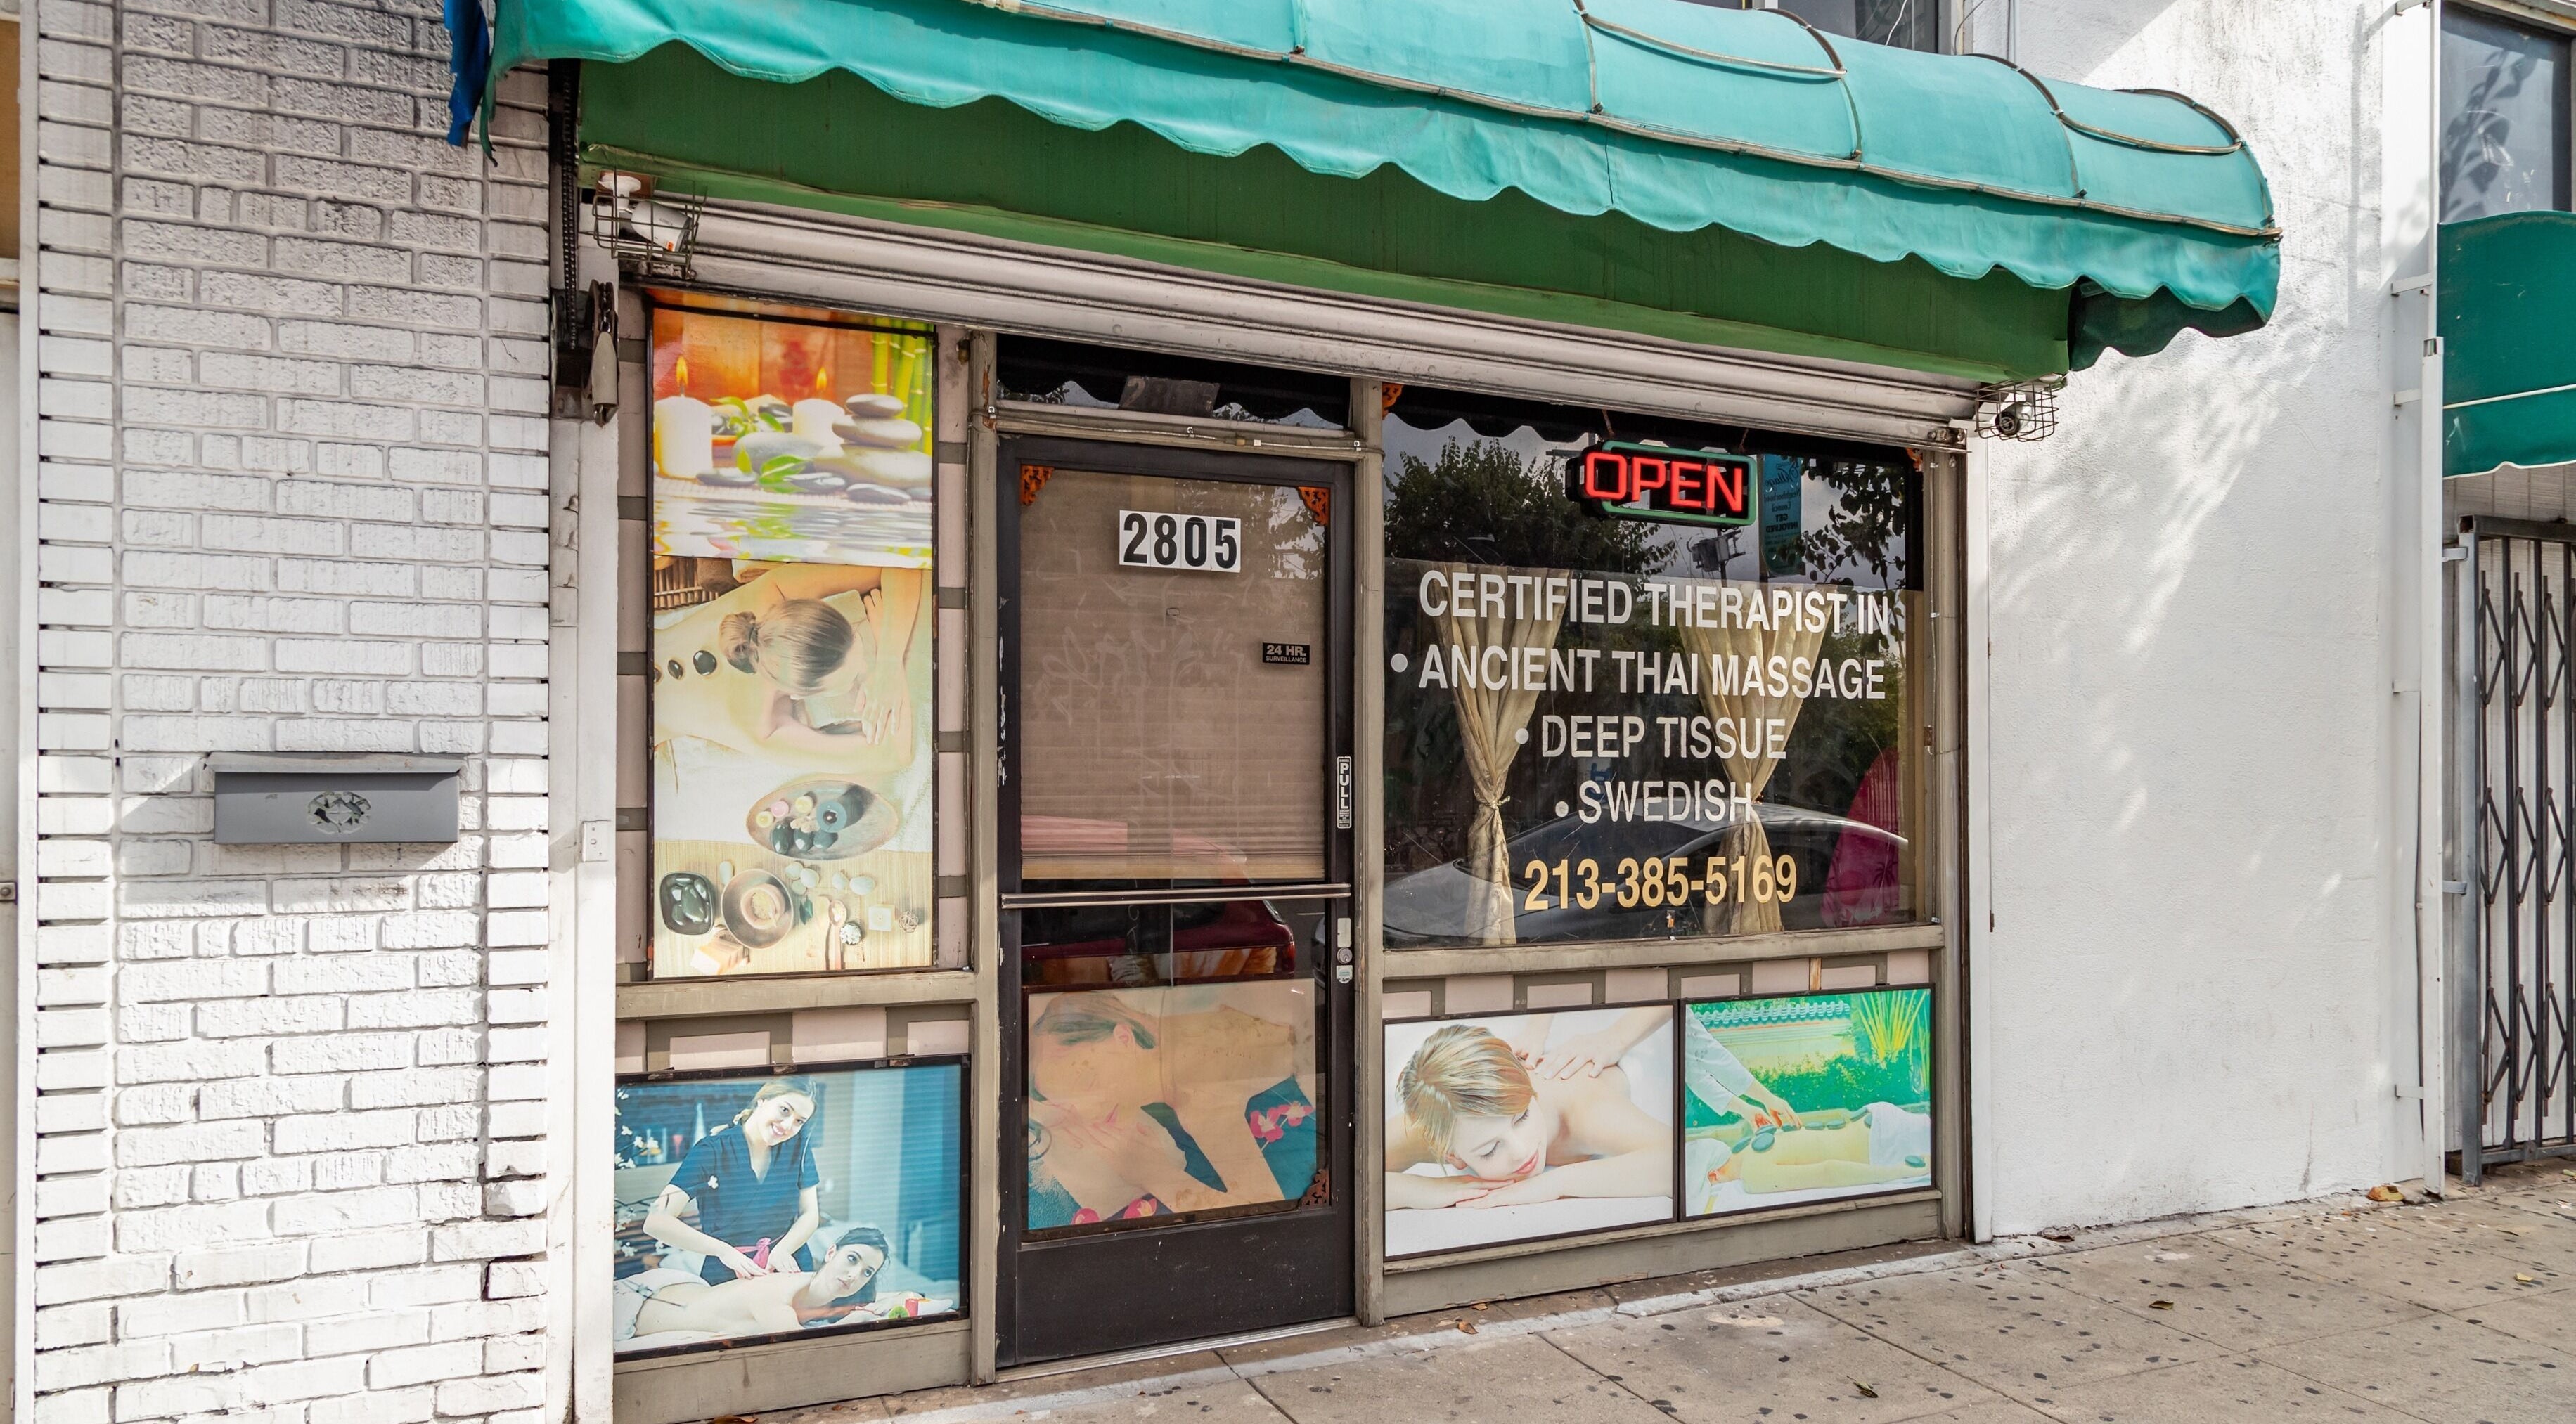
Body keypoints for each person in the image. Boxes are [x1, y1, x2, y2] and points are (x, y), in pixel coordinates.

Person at [1024, 991, 1317, 1228]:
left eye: (1087, 1082)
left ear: (1124, 1038)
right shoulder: (1168, 1045)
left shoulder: (1197, 1090)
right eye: (1068, 1104)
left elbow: (1265, 1223)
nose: (1091, 1112)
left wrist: (1153, 1172)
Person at [652, 560, 926, 772]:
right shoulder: (756, 728)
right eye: (855, 675)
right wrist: (890, 670)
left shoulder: (769, 598)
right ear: (801, 695)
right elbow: (893, 755)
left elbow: (904, 563)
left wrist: (889, 660)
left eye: (855, 635)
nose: (868, 658)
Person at [1384, 1017, 1669, 1210]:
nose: (1522, 1151)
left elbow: (1683, 1161)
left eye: (1522, 1118)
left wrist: (1556, 1184)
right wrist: (1420, 1190)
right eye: (1490, 1149)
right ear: (1453, 1156)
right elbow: (1343, 1180)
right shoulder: (1440, 1118)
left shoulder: (1583, 1109)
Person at [642, 1078, 825, 1283]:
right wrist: (723, 1251)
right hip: (730, 1273)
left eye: (799, 1121)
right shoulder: (712, 1150)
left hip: (788, 1265)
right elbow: (656, 1221)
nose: (788, 1126)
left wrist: (782, 1251)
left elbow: (810, 1214)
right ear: (762, 1101)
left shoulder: (798, 1148)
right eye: (784, 1110)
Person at [617, 1228, 941, 1344]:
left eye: (867, 1272)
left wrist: (903, 1295)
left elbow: (893, 1300)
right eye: (852, 1259)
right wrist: (854, 1322)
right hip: (638, 1306)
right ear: (831, 1252)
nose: (855, 1276)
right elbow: (802, 1350)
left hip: (686, 1291)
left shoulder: (821, 1294)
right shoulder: (775, 1293)